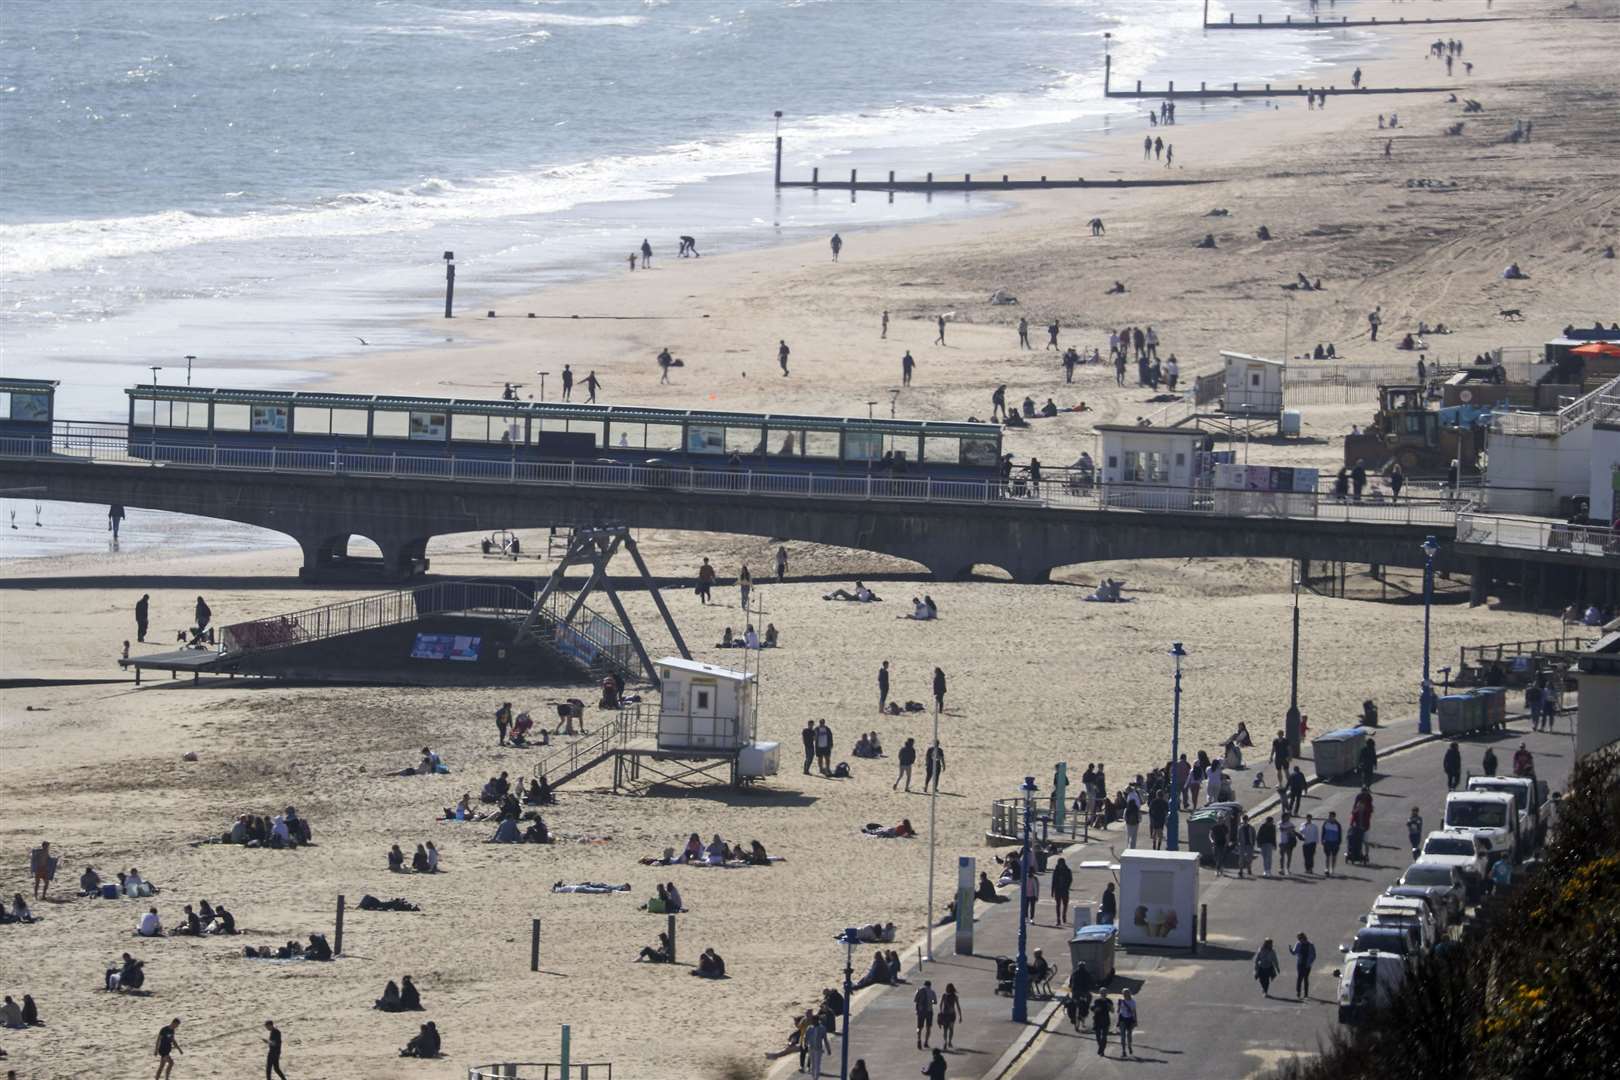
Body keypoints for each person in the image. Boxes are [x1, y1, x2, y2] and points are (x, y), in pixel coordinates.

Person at [1290, 932, 1316, 1000]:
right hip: (1300, 964)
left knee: (1306, 978)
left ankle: (1306, 994)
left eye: (1300, 938)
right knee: (1299, 978)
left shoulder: (1310, 945)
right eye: (1298, 939)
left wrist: (1310, 962)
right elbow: (1294, 952)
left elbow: (1314, 955)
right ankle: (1298, 992)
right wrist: (1291, 950)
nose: (1299, 940)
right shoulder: (1298, 944)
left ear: (1303, 938)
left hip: (1307, 965)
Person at [914, 979, 937, 1048]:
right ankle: (926, 1042)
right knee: (928, 1027)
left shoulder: (919, 990)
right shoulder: (932, 992)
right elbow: (935, 1002)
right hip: (929, 1011)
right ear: (930, 985)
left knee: (919, 1027)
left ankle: (919, 1039)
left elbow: (915, 1000)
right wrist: (931, 1002)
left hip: (921, 1011)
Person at [1090, 992, 1113, 1057]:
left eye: (1104, 993)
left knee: (1104, 1036)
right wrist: (1096, 1009)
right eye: (1102, 993)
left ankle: (1102, 1050)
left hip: (1106, 1020)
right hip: (1097, 1020)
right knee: (1098, 1036)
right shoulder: (1097, 1001)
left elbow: (1112, 1011)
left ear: (1106, 994)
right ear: (1100, 993)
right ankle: (1101, 1047)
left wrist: (1109, 1006)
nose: (1103, 994)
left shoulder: (1109, 1001)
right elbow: (1093, 1008)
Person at [1051, 856, 1072, 924]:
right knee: (1058, 904)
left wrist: (1067, 886)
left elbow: (1070, 879)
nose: (1060, 865)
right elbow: (1053, 881)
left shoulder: (1067, 870)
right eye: (1059, 864)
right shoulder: (1056, 871)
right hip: (1058, 890)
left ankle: (1064, 915)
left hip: (1065, 890)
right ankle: (1058, 918)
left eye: (1061, 864)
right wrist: (1052, 891)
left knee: (1065, 904)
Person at [1321, 811, 1343, 876]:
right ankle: (1327, 868)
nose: (1330, 817)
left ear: (1334, 817)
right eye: (1329, 816)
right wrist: (1322, 840)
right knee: (1327, 856)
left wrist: (1339, 842)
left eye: (1331, 816)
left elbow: (1339, 834)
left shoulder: (1337, 825)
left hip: (1335, 842)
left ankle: (1332, 869)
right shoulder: (1325, 823)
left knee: (1334, 856)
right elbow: (1323, 832)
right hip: (1327, 841)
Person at [1117, 988, 1137, 1057]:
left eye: (1127, 993)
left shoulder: (1132, 1002)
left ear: (1129, 993)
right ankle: (1123, 1051)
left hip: (1130, 1020)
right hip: (1122, 1019)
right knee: (1122, 1036)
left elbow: (1134, 1012)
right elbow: (1118, 1011)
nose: (1125, 994)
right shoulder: (1121, 1001)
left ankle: (1129, 1046)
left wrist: (1135, 1021)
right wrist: (1119, 1006)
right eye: (1124, 993)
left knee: (1129, 1035)